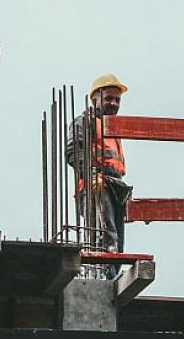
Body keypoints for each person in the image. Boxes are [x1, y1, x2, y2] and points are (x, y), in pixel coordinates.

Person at [66, 74, 133, 266]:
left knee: (116, 240)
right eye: (108, 98)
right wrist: (90, 174)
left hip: (115, 185)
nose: (113, 103)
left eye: (117, 100)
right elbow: (73, 151)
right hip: (96, 185)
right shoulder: (85, 121)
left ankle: (112, 271)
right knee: (104, 236)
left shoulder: (113, 128)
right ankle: (101, 271)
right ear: (95, 98)